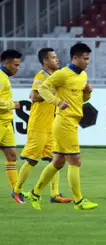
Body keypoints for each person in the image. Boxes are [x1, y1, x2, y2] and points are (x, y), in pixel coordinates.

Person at [28, 42, 98, 210]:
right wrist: (57, 101)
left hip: (72, 121)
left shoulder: (83, 76)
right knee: (75, 160)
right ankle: (79, 201)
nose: (87, 62)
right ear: (75, 58)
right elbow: (43, 89)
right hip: (64, 121)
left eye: (88, 59)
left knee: (58, 162)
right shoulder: (62, 74)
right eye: (85, 59)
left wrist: (87, 92)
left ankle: (35, 193)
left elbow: (82, 100)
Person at [14, 48, 72, 204]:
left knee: (55, 160)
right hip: (38, 125)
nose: (57, 60)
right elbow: (33, 96)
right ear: (45, 61)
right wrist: (51, 92)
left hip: (50, 125)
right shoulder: (41, 76)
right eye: (53, 57)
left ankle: (55, 194)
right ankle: (17, 191)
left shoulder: (54, 77)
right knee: (32, 160)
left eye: (57, 57)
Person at [0, 50, 22, 203]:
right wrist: (12, 105)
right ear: (6, 63)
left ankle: (16, 191)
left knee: (12, 156)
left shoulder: (5, 77)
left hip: (6, 123)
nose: (17, 68)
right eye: (15, 65)